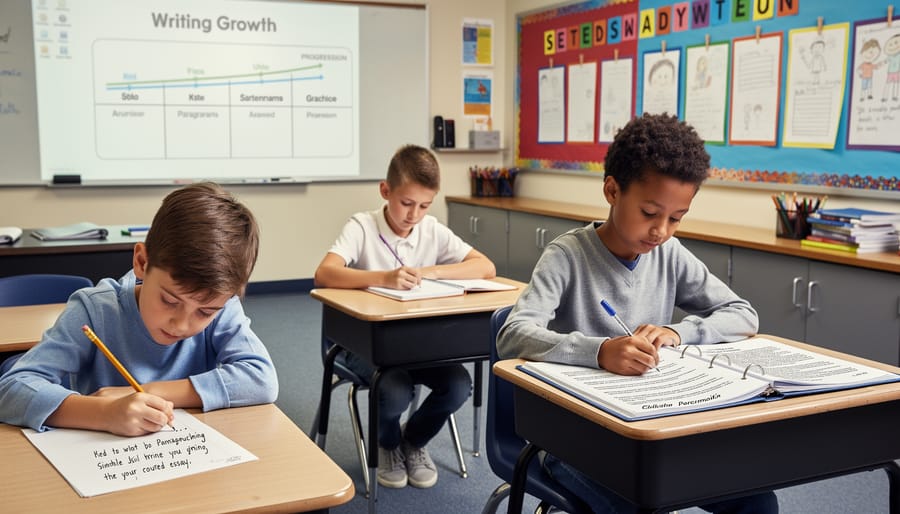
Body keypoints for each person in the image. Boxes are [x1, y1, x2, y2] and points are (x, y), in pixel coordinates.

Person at [497, 113, 778, 514]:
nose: (661, 230)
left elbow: (742, 313)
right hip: (571, 439)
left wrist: (679, 332)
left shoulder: (668, 254)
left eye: (676, 218)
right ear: (612, 190)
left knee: (758, 504)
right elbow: (513, 335)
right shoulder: (566, 256)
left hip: (652, 432)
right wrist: (600, 351)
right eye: (650, 213)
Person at [0, 182, 278, 436]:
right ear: (142, 262)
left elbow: (261, 380)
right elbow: (10, 389)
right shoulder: (94, 309)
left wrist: (148, 392)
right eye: (169, 301)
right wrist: (105, 413)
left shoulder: (222, 307)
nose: (181, 325)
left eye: (204, 313)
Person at [314, 144, 496, 489]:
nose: (414, 214)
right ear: (386, 191)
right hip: (362, 343)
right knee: (394, 388)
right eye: (406, 203)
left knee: (458, 384)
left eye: (425, 206)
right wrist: (383, 277)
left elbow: (485, 266)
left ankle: (412, 441)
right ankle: (387, 444)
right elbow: (324, 274)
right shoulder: (362, 227)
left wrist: (429, 272)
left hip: (417, 344)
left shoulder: (432, 230)